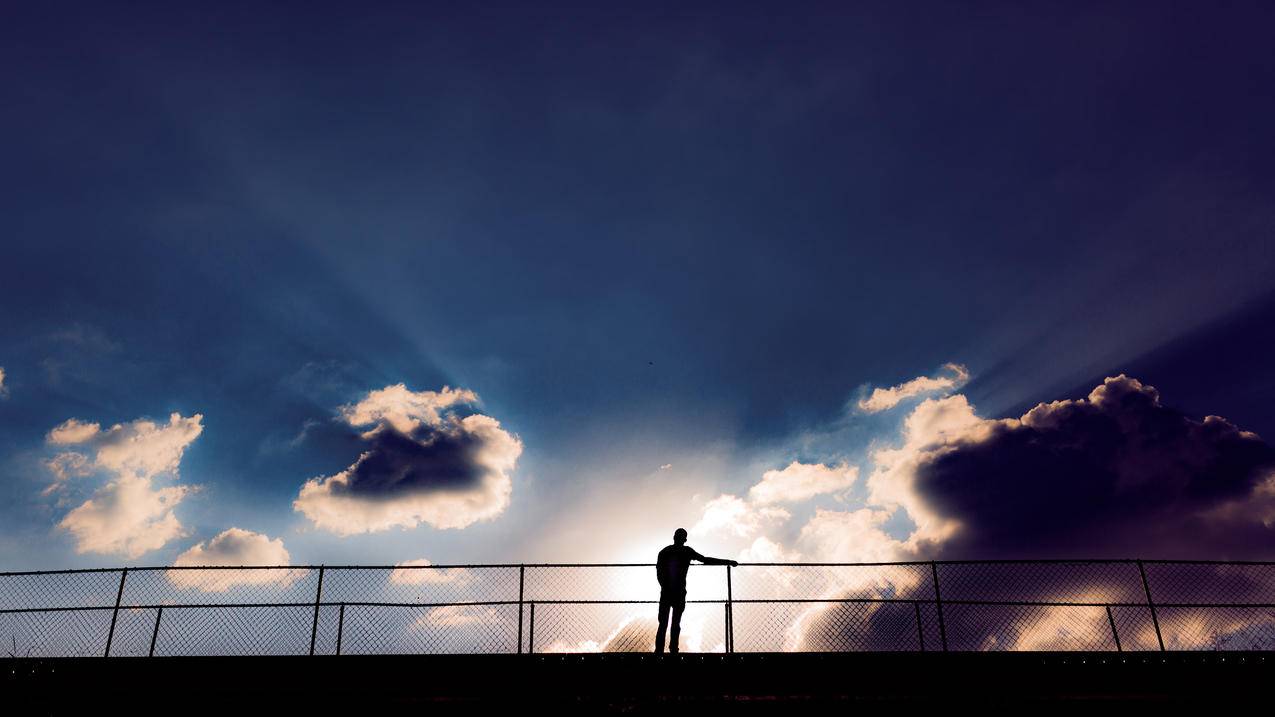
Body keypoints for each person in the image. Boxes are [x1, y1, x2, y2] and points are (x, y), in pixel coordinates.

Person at [654, 528, 738, 653]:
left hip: (668, 592)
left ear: (674, 537)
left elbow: (659, 573)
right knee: (674, 623)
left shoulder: (665, 551)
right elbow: (705, 560)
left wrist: (665, 586)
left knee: (665, 624)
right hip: (677, 592)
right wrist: (728, 562)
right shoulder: (685, 551)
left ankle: (661, 650)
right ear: (684, 539)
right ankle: (672, 650)